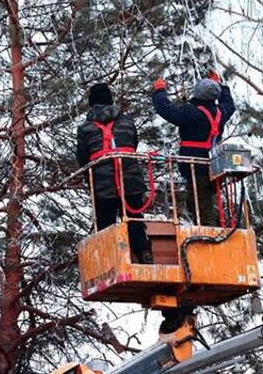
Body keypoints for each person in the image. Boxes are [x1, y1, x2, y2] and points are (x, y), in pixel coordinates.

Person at [76, 83, 153, 264]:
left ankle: (110, 261)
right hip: (130, 179)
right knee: (134, 220)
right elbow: (133, 143)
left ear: (91, 102)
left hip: (102, 183)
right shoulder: (126, 121)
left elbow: (82, 157)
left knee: (106, 225)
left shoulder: (85, 128)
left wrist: (91, 179)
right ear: (110, 99)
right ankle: (144, 255)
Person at [152, 70, 236, 226]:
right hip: (213, 165)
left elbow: (166, 109)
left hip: (195, 166)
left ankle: (211, 234)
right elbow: (229, 104)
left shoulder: (192, 112)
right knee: (198, 200)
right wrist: (220, 85)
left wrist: (160, 90)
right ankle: (217, 225)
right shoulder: (221, 112)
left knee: (201, 203)